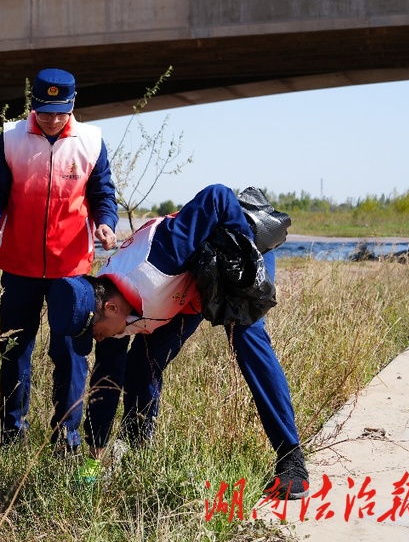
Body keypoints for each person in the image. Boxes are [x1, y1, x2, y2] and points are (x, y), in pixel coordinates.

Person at [82, 183, 309, 499]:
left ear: (111, 309)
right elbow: (106, 382)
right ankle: (136, 452)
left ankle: (291, 460)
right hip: (188, 290)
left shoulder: (162, 255)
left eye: (97, 333)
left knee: (244, 336)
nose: (99, 340)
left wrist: (241, 260)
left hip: (239, 246)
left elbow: (218, 197)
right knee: (141, 362)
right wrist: (92, 463)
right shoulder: (103, 311)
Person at [0, 68, 119, 452]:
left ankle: (66, 441)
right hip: (19, 265)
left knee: (71, 355)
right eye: (44, 111)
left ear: (72, 105)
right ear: (33, 106)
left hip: (71, 270)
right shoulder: (10, 138)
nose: (53, 119)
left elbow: (104, 194)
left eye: (60, 111)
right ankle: (10, 437)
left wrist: (105, 224)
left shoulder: (91, 142)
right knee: (15, 351)